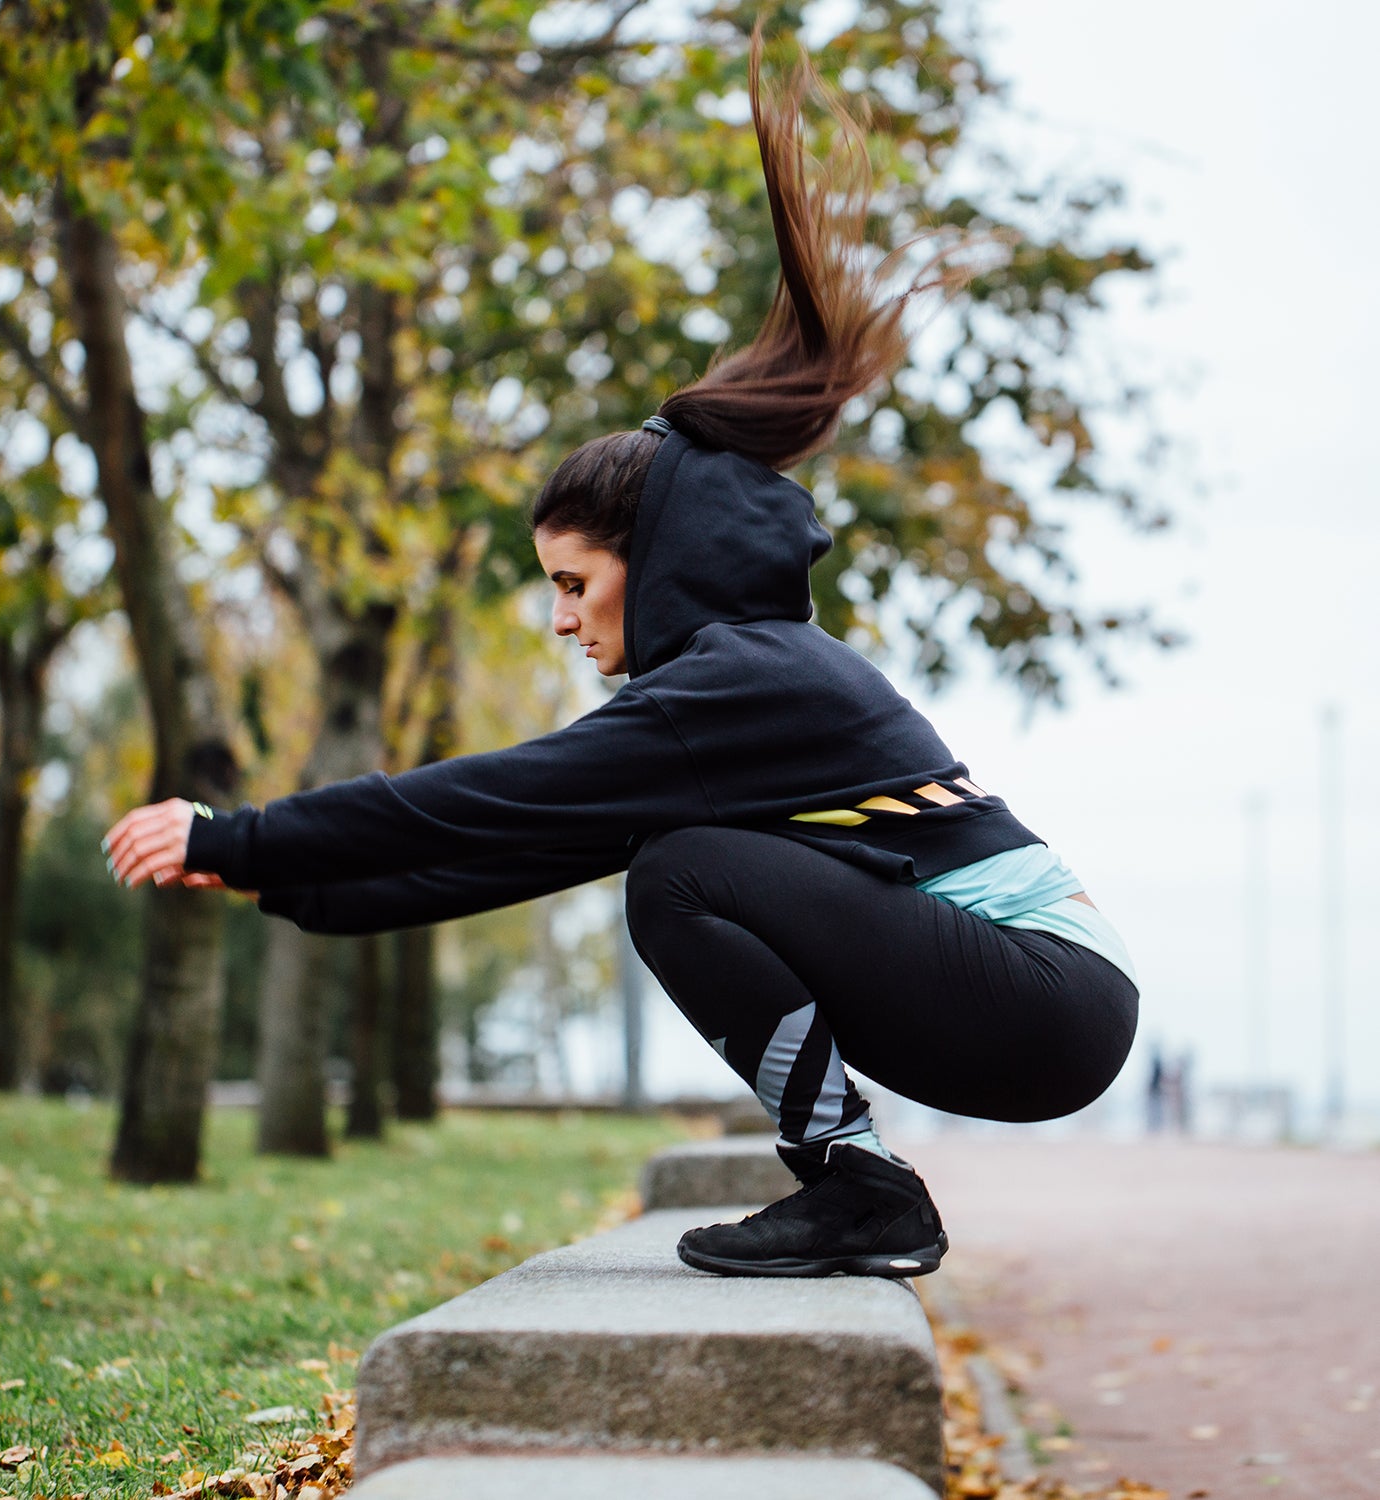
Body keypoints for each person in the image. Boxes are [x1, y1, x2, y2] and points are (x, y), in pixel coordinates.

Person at [104, 32, 1138, 1279]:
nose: (562, 620)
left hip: (1045, 993)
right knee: (665, 858)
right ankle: (859, 1186)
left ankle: (860, 1190)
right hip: (1038, 1005)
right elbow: (530, 842)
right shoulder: (741, 690)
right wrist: (303, 892)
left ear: (653, 558)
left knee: (678, 873)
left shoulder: (742, 685)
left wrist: (239, 835)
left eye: (574, 584)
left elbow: (481, 795)